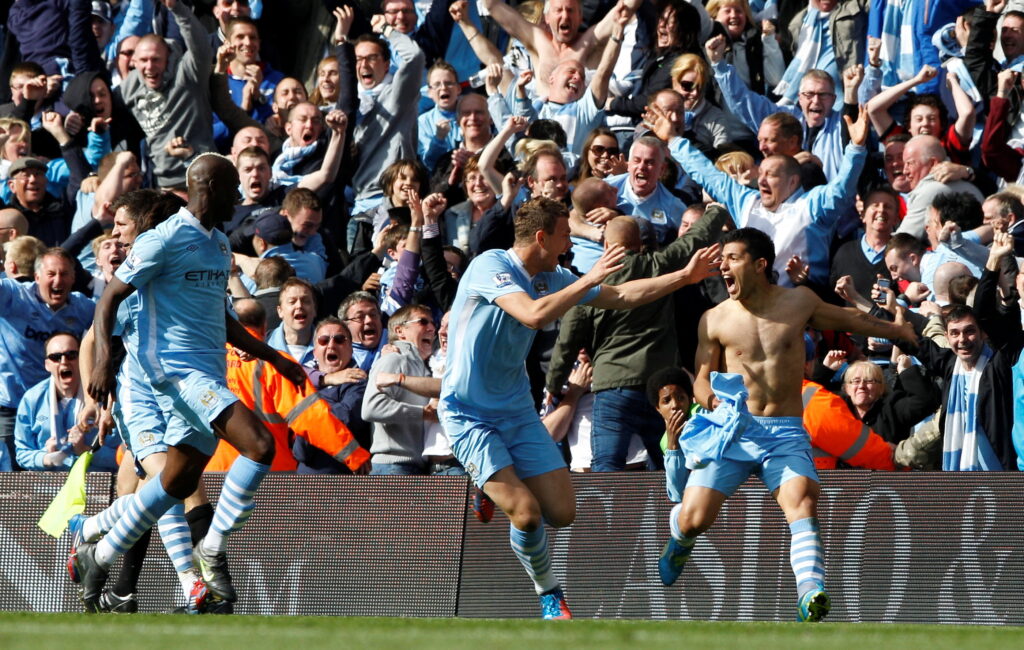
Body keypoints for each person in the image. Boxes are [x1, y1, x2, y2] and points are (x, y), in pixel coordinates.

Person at [439, 196, 723, 619]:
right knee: (528, 514)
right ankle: (549, 593)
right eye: (565, 233)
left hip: (516, 411)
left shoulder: (550, 276)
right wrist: (584, 279)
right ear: (542, 237)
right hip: (467, 413)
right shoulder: (489, 266)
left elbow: (624, 295)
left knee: (563, 513)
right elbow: (533, 316)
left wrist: (684, 276)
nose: (570, 241)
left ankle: (488, 483)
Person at [71, 154, 307, 612]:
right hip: (174, 371)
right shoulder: (163, 239)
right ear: (208, 188)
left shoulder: (218, 243)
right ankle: (210, 553)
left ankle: (97, 553)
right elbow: (109, 301)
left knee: (176, 483)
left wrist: (274, 356)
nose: (239, 196)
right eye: (232, 186)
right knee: (259, 445)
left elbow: (221, 319)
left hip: (206, 370)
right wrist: (100, 368)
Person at [657, 227, 916, 622]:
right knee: (695, 519)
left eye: (732, 258)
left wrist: (896, 330)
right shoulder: (714, 319)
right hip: (732, 428)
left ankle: (811, 593)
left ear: (760, 265)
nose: (722, 265)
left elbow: (848, 318)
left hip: (785, 431)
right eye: (722, 259)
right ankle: (679, 538)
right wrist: (711, 400)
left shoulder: (799, 302)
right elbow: (701, 376)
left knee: (802, 502)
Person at [546, 207, 730, 472]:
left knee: (607, 467)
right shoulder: (658, 265)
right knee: (669, 462)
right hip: (661, 389)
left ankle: (609, 516)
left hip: (612, 387)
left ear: (607, 244)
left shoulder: (590, 285)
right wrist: (716, 211)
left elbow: (567, 341)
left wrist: (554, 384)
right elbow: (696, 238)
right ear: (639, 245)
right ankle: (672, 512)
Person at [0, 248, 94, 471]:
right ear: (37, 276)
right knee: (9, 475)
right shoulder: (14, 296)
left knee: (52, 466)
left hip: (54, 405)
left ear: (73, 278)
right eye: (51, 274)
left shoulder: (83, 308)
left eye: (64, 274)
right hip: (10, 404)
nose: (58, 280)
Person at [14, 332, 119, 472]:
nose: (64, 361)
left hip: (95, 484)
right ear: (47, 365)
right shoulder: (31, 400)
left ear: (82, 359)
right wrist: (45, 458)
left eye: (71, 355)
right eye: (55, 357)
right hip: (47, 486)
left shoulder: (104, 399)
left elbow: (123, 457)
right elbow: (21, 453)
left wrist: (87, 450)